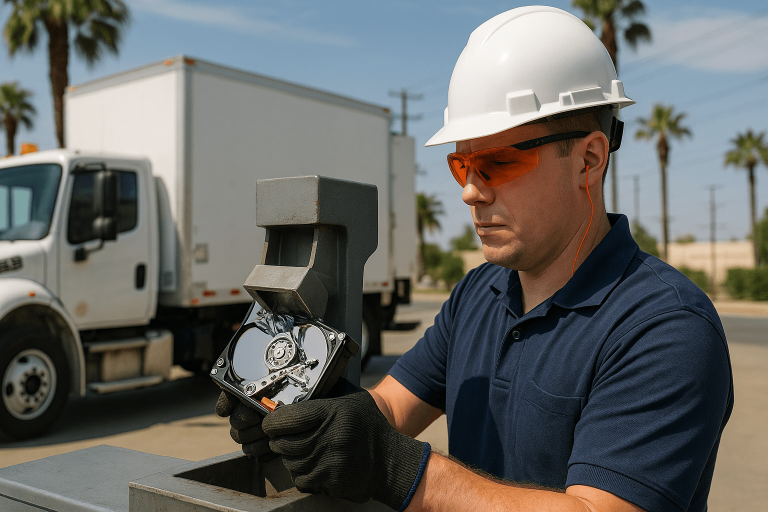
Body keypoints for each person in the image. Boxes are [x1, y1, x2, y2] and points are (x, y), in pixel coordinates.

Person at [216, 6, 733, 511]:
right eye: (461, 164)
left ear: (589, 159)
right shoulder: (480, 293)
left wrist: (398, 468)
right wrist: (302, 417)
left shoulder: (664, 327)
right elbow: (394, 406)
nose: (469, 191)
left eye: (498, 163)